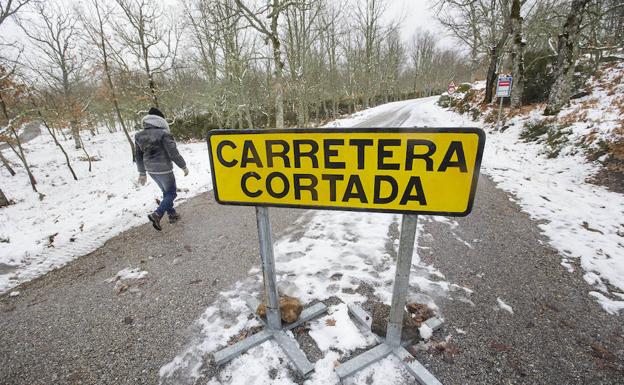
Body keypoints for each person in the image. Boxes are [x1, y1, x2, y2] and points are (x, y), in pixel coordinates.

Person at [135, 107, 189, 231]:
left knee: (166, 192)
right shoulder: (165, 134)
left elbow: (138, 156)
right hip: (164, 168)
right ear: (160, 120)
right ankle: (157, 214)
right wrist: (183, 166)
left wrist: (142, 173)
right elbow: (173, 153)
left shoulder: (139, 135)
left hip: (150, 170)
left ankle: (172, 214)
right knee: (172, 193)